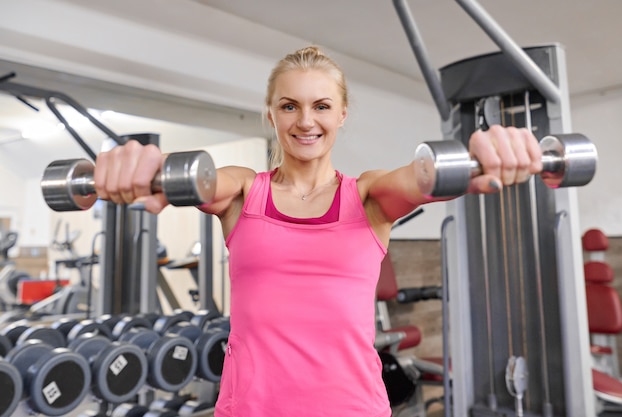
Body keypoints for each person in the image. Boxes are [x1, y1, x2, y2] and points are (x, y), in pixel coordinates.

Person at [94, 46, 543, 416]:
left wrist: (478, 155)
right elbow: (200, 180)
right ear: (271, 115)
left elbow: (423, 178)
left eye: (321, 106)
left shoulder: (368, 197)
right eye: (289, 106)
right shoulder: (244, 192)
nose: (306, 121)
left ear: (342, 114)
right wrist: (152, 167)